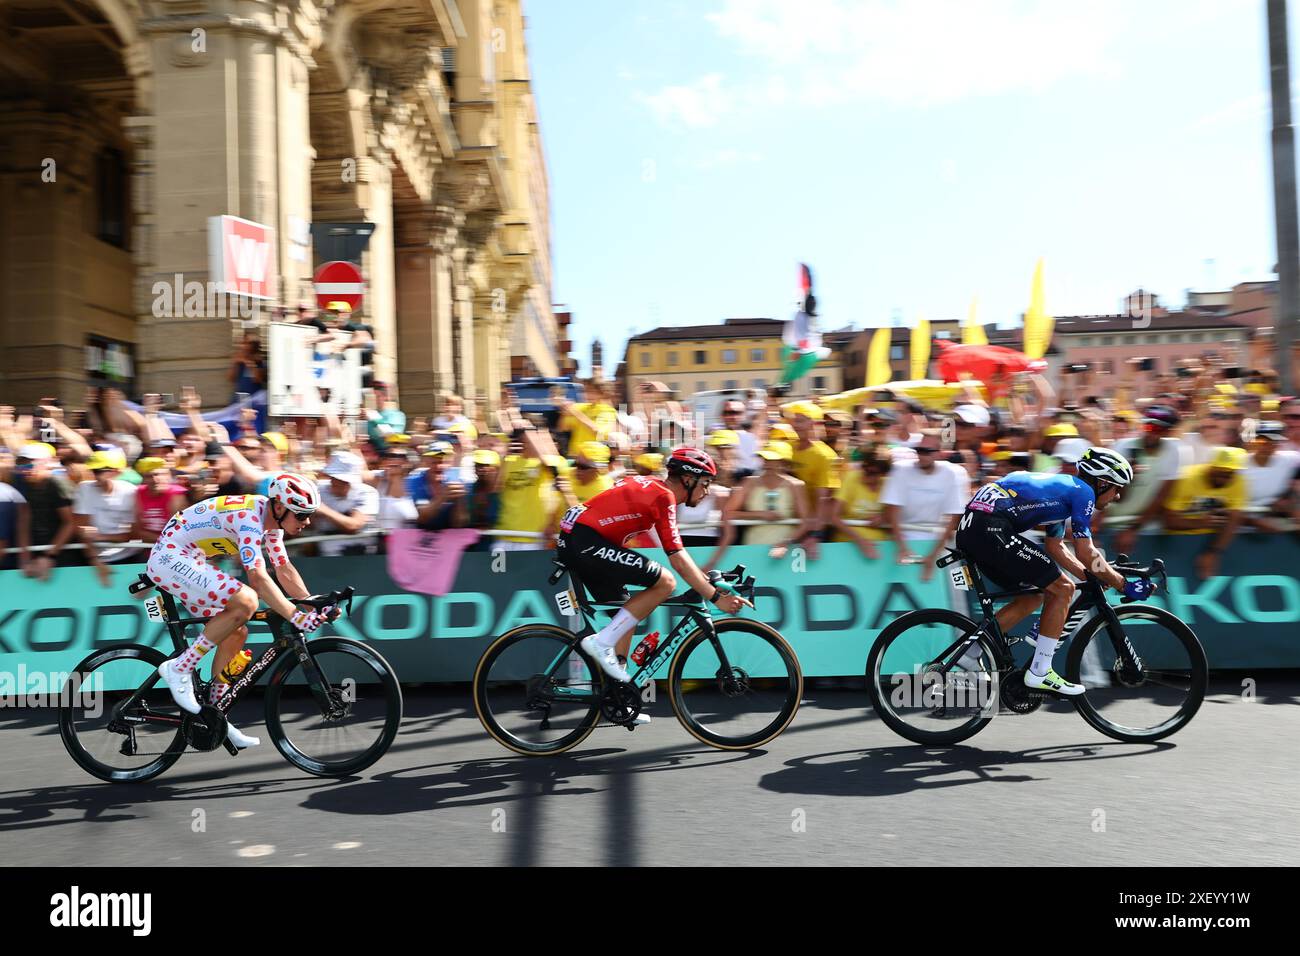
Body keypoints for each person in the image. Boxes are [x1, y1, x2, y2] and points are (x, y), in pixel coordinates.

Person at [151, 474, 325, 749]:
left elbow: (283, 569)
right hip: (171, 558)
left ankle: (215, 713)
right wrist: (295, 615)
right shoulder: (249, 518)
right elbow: (257, 577)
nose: (307, 522)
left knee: (236, 631)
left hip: (190, 558)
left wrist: (312, 602)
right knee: (246, 600)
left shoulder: (272, 525)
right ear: (279, 507)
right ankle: (179, 667)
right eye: (301, 515)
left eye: (309, 515)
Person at [558, 447, 751, 689]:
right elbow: (677, 557)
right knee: (666, 582)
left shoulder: (655, 487)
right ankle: (601, 642)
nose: (707, 491)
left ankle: (619, 692)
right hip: (584, 541)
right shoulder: (664, 497)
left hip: (579, 538)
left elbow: (678, 554)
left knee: (626, 615)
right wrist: (713, 596)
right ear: (688, 479)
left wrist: (706, 582)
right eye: (705, 483)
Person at [954, 447, 1141, 696]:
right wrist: (1123, 584)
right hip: (991, 528)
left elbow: (1056, 546)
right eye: (1117, 488)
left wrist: (1090, 576)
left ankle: (969, 654)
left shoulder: (1062, 492)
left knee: (1033, 596)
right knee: (1063, 589)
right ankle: (1040, 671)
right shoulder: (1083, 492)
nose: (1117, 496)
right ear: (1102, 483)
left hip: (973, 530)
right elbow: (1086, 551)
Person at [1162, 445, 1248, 579]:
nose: (1224, 478)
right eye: (1220, 471)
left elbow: (1235, 519)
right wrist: (1201, 523)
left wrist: (1213, 552)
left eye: (1229, 474)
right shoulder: (1186, 478)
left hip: (1210, 540)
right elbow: (1168, 521)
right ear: (1210, 466)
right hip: (1176, 542)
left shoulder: (1238, 480)